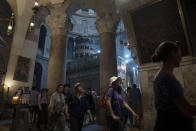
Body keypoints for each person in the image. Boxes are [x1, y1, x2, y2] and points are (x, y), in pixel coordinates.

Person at [152, 41, 196, 131]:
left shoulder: (160, 76)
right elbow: (187, 109)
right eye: (180, 54)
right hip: (173, 126)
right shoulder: (167, 79)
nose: (181, 58)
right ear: (172, 54)